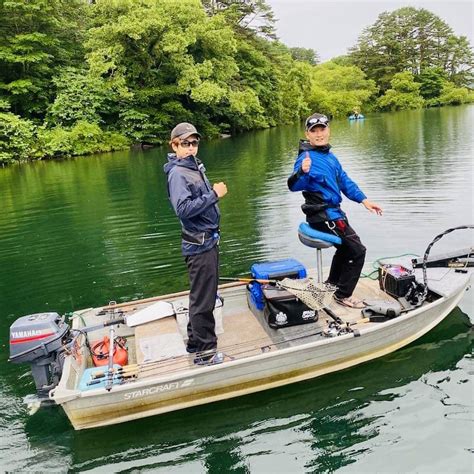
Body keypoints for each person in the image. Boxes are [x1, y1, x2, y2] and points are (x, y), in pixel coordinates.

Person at [287, 113, 383, 309]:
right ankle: (343, 294)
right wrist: (302, 173)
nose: (319, 134)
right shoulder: (305, 157)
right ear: (307, 134)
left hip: (334, 214)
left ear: (328, 130)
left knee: (345, 248)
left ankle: (331, 285)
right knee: (358, 251)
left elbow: (345, 182)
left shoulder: (330, 157)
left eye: (322, 129)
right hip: (322, 216)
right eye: (314, 131)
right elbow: (293, 185)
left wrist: (364, 200)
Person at [164, 122, 228, 364]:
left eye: (194, 143)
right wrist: (214, 195)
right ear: (174, 145)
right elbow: (183, 209)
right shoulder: (178, 173)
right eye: (185, 143)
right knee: (204, 300)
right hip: (199, 246)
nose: (191, 147)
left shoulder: (193, 167)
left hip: (207, 242)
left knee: (203, 295)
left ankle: (194, 342)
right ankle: (206, 353)